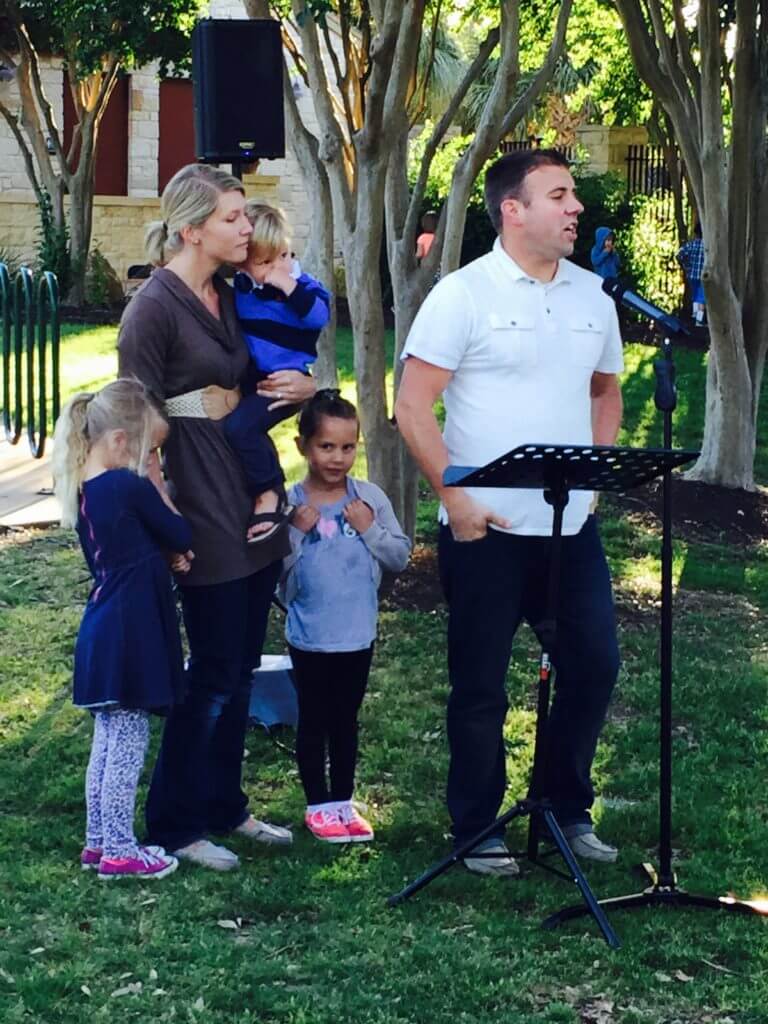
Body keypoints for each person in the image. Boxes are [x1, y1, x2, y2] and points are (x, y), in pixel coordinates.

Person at [395, 149, 624, 876]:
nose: (576, 208)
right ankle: (477, 828)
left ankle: (565, 805)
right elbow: (411, 406)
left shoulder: (595, 295)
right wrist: (454, 502)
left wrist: (590, 481)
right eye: (559, 194)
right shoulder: (462, 294)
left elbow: (604, 392)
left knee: (593, 666)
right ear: (512, 210)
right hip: (484, 530)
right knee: (481, 686)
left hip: (570, 529)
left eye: (574, 195)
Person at [118, 163, 316, 871]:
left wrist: (307, 383)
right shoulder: (152, 310)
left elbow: (270, 365)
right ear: (191, 227)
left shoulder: (229, 293)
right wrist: (166, 521)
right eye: (232, 217)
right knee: (213, 671)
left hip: (247, 486)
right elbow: (130, 428)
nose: (246, 227)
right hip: (196, 497)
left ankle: (225, 805)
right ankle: (174, 822)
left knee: (236, 664)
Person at [52, 379, 193, 881]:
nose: (154, 462)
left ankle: (98, 841)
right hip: (132, 634)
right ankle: (120, 848)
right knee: (128, 741)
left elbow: (136, 547)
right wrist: (156, 483)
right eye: (151, 451)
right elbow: (179, 531)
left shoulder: (87, 492)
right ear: (119, 442)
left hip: (103, 629)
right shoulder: (129, 486)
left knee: (108, 741)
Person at [281, 391, 411, 843]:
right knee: (314, 719)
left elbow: (399, 555)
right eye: (326, 446)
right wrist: (294, 534)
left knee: (346, 720)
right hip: (310, 636)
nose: (338, 458)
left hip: (358, 635)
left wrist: (369, 528)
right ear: (303, 446)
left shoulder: (369, 498)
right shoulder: (291, 502)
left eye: (348, 447)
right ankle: (317, 804)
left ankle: (342, 802)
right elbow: (272, 571)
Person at [226, 202, 331, 544]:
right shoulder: (243, 287)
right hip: (253, 379)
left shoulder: (303, 287)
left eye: (283, 255)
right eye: (264, 262)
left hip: (283, 385)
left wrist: (287, 285)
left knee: (241, 428)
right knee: (243, 429)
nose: (276, 267)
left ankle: (269, 491)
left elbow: (318, 317)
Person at [677, 223, 706, 325]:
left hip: (692, 275)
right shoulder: (707, 247)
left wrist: (687, 267)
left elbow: (679, 255)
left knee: (695, 297)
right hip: (704, 276)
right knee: (701, 298)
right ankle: (698, 321)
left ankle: (696, 317)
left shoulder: (691, 245)